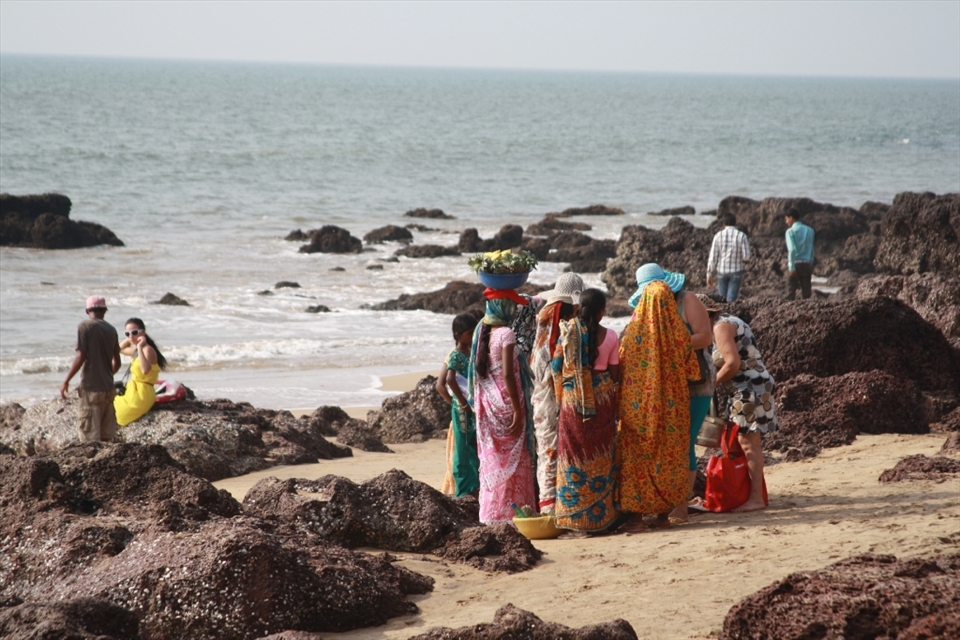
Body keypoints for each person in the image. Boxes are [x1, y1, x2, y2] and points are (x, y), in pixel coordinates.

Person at [617, 279, 699, 531]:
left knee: (637, 458)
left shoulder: (632, 333)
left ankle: (636, 519)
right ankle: (663, 516)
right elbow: (693, 371)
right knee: (670, 456)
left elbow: (619, 366)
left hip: (638, 408)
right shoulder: (680, 334)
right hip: (673, 409)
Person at [697, 294, 777, 512]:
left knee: (749, 444)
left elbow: (733, 363)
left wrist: (711, 385)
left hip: (748, 388)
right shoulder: (727, 321)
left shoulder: (720, 327)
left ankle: (756, 499)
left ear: (705, 314)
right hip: (751, 386)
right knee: (746, 444)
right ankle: (754, 495)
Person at [551, 288, 620, 532]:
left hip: (573, 402)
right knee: (600, 456)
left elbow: (556, 367)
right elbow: (614, 374)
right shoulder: (611, 335)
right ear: (601, 311)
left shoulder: (567, 332)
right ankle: (600, 519)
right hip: (601, 400)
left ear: (581, 308)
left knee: (573, 457)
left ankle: (573, 518)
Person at [467, 296, 537, 524]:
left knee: (493, 459)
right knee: (514, 463)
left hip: (489, 402)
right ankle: (513, 514)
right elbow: (508, 373)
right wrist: (517, 408)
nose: (514, 309)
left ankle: (491, 514)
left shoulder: (482, 331)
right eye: (511, 305)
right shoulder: (506, 333)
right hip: (507, 400)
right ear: (503, 308)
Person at [530, 272, 584, 513]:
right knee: (556, 448)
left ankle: (547, 503)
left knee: (546, 448)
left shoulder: (543, 323)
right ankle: (552, 506)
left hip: (540, 397)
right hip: (554, 397)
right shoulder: (565, 331)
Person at [668, 283, 716, 523]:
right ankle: (672, 500)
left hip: (696, 382)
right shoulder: (653, 307)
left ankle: (682, 505)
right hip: (672, 383)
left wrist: (671, 342)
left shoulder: (686, 301)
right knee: (672, 440)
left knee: (685, 440)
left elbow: (706, 337)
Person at [60, 295, 122, 442]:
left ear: (87, 310)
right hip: (108, 389)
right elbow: (117, 362)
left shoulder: (84, 326)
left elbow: (80, 356)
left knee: (90, 439)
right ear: (105, 310)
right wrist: (106, 375)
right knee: (107, 438)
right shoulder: (111, 329)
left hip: (91, 388)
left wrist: (66, 380)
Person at [435, 313, 481, 498]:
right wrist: (460, 403)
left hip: (470, 407)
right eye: (469, 333)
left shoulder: (470, 353)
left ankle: (475, 487)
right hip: (464, 408)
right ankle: (463, 490)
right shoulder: (455, 355)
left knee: (474, 445)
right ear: (458, 334)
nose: (472, 337)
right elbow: (447, 381)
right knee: (462, 449)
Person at [114, 318, 167, 427]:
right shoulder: (136, 351)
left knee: (120, 414)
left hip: (143, 394)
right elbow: (118, 349)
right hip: (133, 390)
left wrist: (139, 346)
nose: (131, 336)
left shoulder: (148, 350)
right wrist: (131, 339)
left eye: (134, 332)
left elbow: (145, 370)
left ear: (143, 332)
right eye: (127, 333)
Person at [706, 213, 751, 302]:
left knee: (721, 300)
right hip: (736, 271)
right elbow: (747, 257)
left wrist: (709, 274)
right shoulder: (742, 236)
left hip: (722, 271)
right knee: (731, 300)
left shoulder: (718, 236)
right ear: (735, 222)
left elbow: (713, 257)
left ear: (723, 223)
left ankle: (722, 315)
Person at [784, 207, 815, 300]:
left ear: (791, 218)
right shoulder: (810, 230)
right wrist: (811, 263)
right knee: (806, 295)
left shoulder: (790, 232)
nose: (786, 222)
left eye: (786, 219)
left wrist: (791, 267)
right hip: (807, 263)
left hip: (795, 263)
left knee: (790, 294)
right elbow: (812, 249)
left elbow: (792, 249)